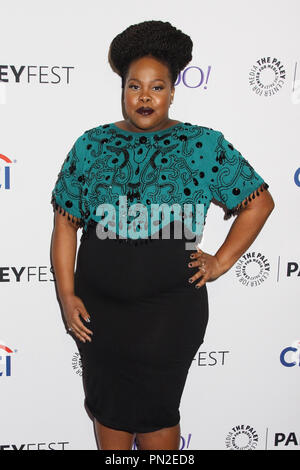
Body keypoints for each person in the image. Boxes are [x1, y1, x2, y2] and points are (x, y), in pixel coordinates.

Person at [50, 20, 275, 451]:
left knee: (155, 415)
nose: (145, 96)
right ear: (123, 91)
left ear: (173, 91)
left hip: (168, 315)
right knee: (108, 407)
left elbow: (258, 202)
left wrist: (221, 261)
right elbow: (65, 221)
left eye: (157, 86)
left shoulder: (203, 145)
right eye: (135, 86)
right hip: (99, 313)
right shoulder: (90, 145)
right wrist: (66, 294)